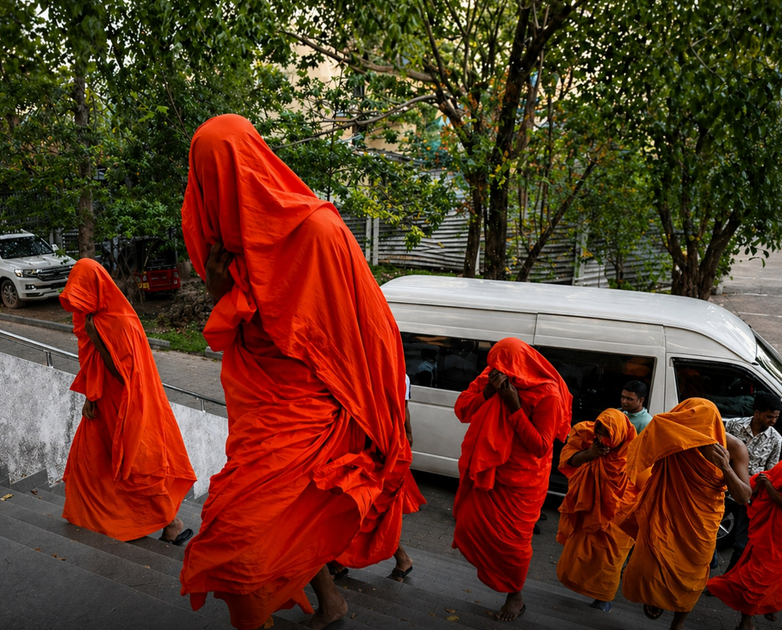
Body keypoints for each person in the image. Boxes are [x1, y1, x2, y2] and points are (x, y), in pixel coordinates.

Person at [178, 114, 417, 630]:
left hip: (320, 410)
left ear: (247, 166)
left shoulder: (317, 230)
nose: (208, 191)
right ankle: (330, 603)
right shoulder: (222, 241)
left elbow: (368, 329)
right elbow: (242, 330)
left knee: (232, 537)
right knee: (281, 519)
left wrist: (385, 411)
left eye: (217, 174)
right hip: (263, 407)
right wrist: (221, 291)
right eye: (202, 178)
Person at [59, 258, 196, 544]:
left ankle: (171, 523)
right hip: (101, 401)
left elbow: (125, 375)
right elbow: (90, 362)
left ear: (96, 288)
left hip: (128, 405)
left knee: (137, 467)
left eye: (82, 293)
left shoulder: (118, 320)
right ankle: (102, 521)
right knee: (90, 461)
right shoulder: (94, 317)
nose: (78, 303)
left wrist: (98, 338)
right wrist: (89, 394)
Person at [452, 337, 572, 622]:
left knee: (513, 545)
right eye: (493, 366)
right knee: (468, 526)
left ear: (519, 365)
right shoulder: (493, 377)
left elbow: (542, 445)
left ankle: (514, 595)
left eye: (502, 366)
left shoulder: (548, 394)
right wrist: (487, 391)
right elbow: (462, 410)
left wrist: (514, 406)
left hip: (522, 481)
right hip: (489, 472)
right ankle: (491, 572)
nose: (495, 370)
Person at [619, 398, 739, 630]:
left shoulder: (732, 447)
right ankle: (656, 596)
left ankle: (678, 623)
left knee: (692, 575)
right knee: (654, 562)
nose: (692, 433)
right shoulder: (676, 439)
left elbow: (744, 497)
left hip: (701, 525)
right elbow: (645, 451)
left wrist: (725, 467)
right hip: (667, 514)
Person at [556, 408, 637, 613]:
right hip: (588, 507)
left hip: (618, 514)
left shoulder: (635, 450)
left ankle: (603, 599)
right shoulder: (586, 435)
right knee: (580, 550)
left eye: (607, 435)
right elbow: (568, 460)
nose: (601, 439)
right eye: (599, 433)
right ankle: (575, 582)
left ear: (619, 434)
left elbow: (641, 483)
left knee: (609, 556)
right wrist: (589, 454)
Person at [707, 461, 782, 630]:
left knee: (764, 576)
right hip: (767, 532)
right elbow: (754, 490)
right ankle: (749, 619)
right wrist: (763, 484)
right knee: (757, 575)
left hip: (776, 534)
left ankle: (767, 606)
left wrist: (768, 485)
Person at [723, 392, 782, 571]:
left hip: (750, 495)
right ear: (757, 413)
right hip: (724, 488)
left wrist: (756, 490)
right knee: (708, 531)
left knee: (741, 544)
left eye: (776, 417)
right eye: (769, 416)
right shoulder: (734, 425)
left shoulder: (776, 439)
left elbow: (769, 472)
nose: (773, 421)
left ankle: (728, 579)